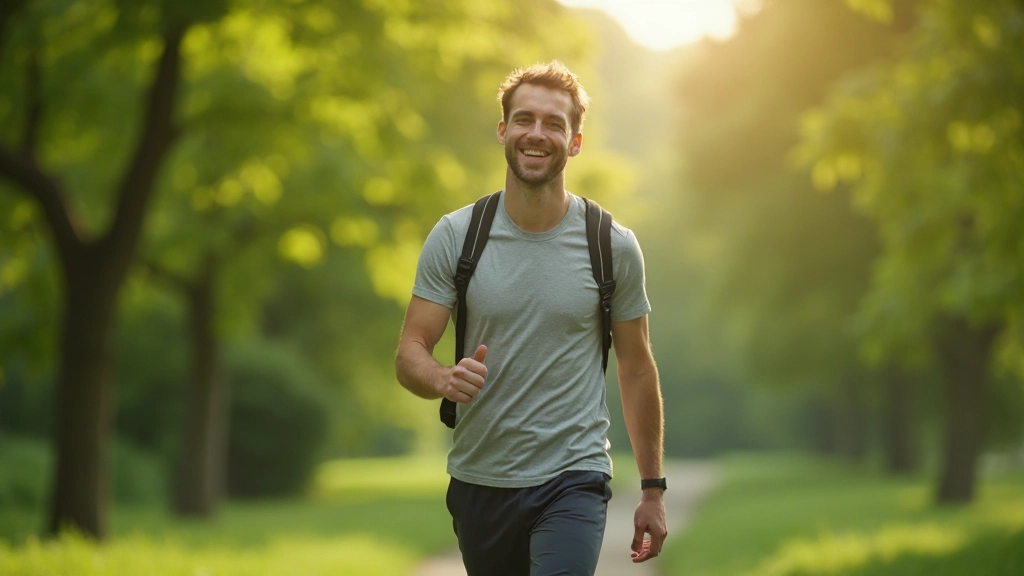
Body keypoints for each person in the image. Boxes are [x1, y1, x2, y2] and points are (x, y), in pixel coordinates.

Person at [395, 60, 667, 576]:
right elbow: (411, 350)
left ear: (576, 141)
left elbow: (636, 368)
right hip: (481, 479)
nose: (536, 134)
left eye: (554, 123)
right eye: (524, 119)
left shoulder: (612, 247)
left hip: (574, 476)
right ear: (503, 131)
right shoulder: (457, 237)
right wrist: (442, 378)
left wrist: (653, 490)